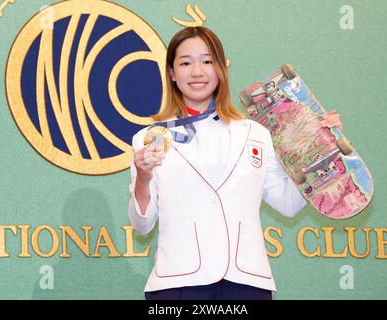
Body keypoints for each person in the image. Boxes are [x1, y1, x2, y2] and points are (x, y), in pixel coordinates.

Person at [128, 26, 343, 300]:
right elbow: (142, 224)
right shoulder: (148, 138)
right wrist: (143, 178)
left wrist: (320, 146)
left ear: (221, 68)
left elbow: (288, 203)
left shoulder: (258, 134)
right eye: (185, 62)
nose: (197, 72)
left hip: (246, 282)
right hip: (177, 283)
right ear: (171, 72)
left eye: (207, 61)